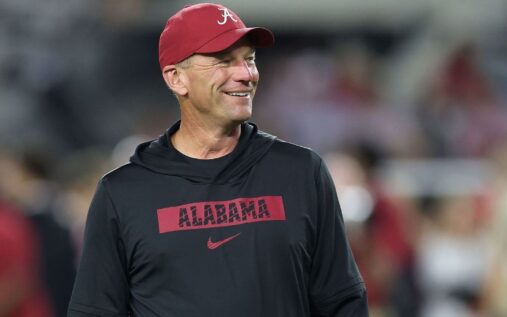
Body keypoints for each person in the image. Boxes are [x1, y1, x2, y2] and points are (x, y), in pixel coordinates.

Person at [68, 3, 368, 316]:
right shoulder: (123, 194)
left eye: (249, 59)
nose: (245, 74)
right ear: (176, 78)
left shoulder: (302, 173)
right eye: (223, 61)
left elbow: (342, 302)